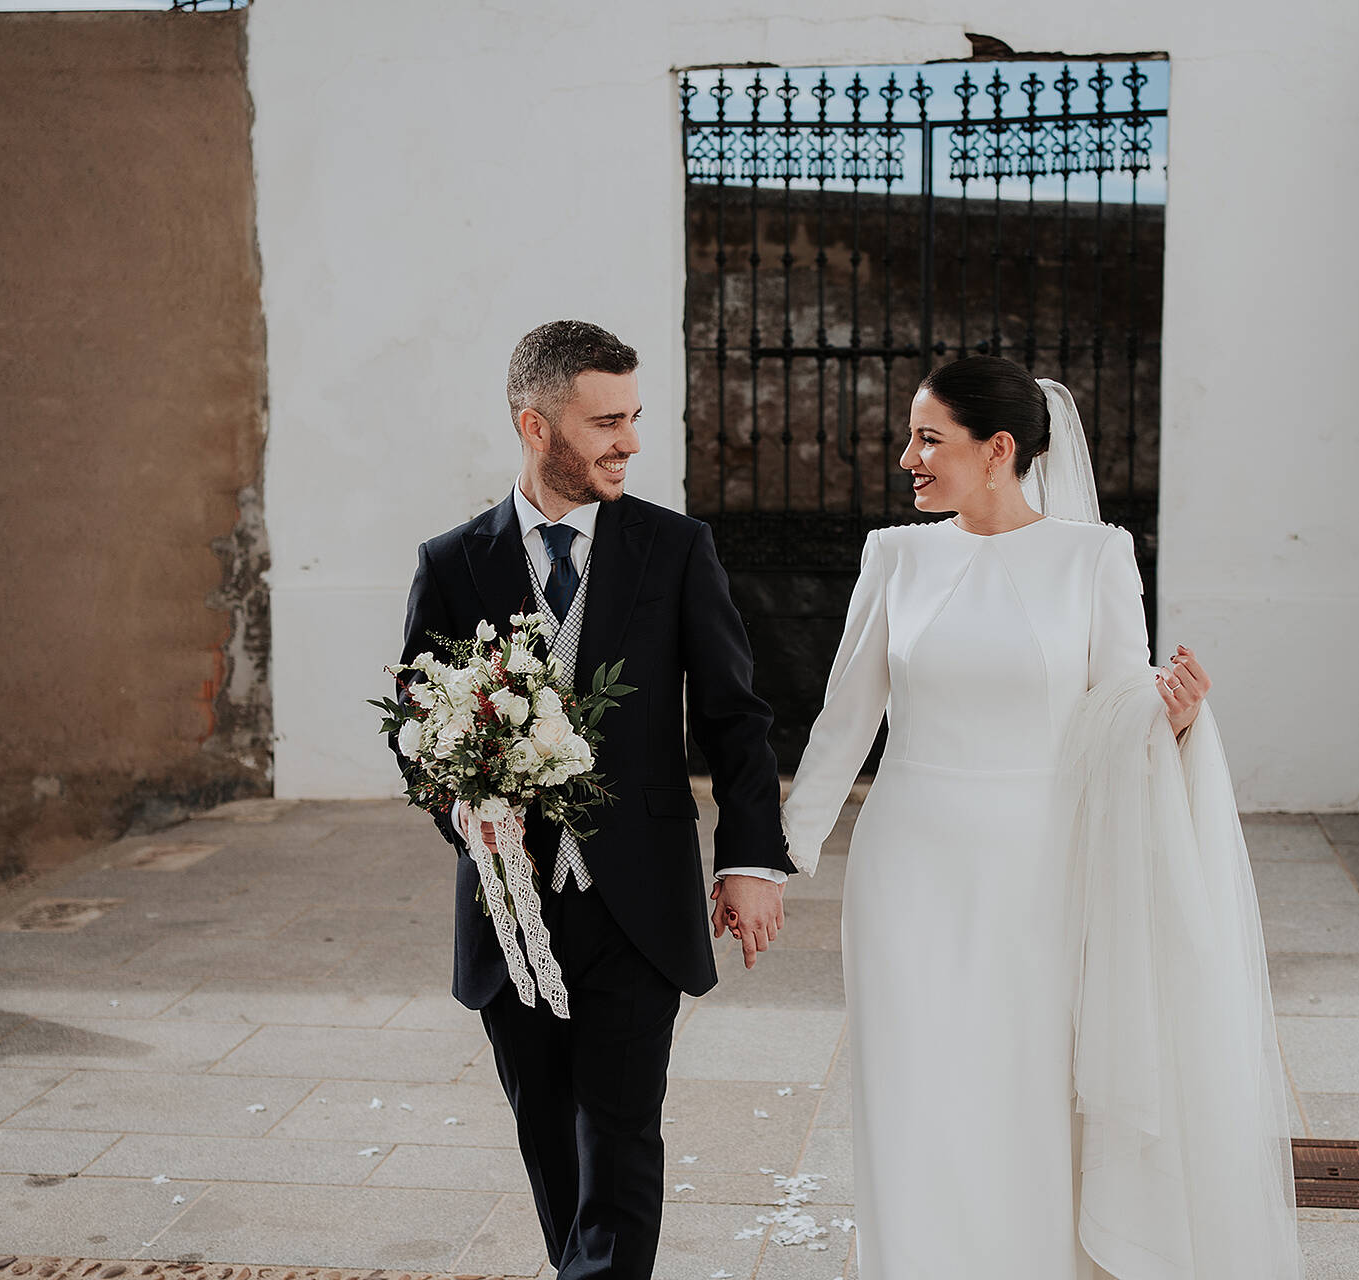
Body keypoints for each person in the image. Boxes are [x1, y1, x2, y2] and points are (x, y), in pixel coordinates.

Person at [780, 355, 1303, 1279]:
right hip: (907, 870)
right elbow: (843, 721)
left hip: (1043, 870)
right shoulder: (892, 556)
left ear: (1000, 449)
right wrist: (773, 858)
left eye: (929, 438)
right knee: (913, 1088)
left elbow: (1120, 710)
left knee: (1026, 1091)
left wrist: (1172, 716)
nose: (908, 456)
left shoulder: (1094, 556)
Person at [392, 320, 792, 1280]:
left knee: (619, 1142)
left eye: (634, 417)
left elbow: (737, 719)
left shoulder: (675, 548)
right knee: (548, 1143)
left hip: (637, 904)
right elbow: (416, 733)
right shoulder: (452, 563)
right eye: (605, 420)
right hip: (509, 911)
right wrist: (461, 807)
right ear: (534, 424)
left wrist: (749, 860)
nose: (629, 442)